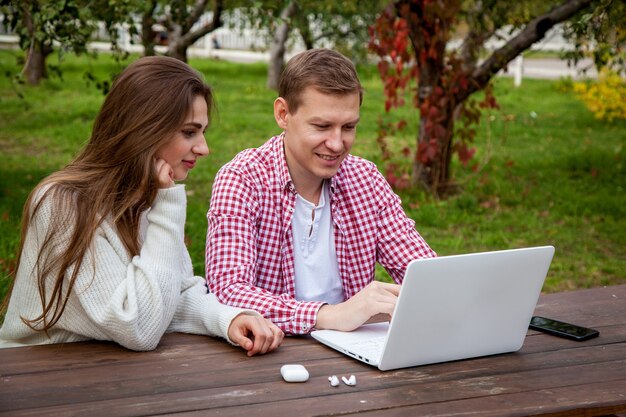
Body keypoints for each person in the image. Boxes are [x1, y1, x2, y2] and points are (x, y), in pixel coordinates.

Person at [0, 56, 284, 354]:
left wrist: (228, 318)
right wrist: (167, 208)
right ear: (144, 129)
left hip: (108, 369)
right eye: (189, 132)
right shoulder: (61, 204)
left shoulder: (141, 198)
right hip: (33, 371)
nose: (203, 148)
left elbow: (170, 293)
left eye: (202, 132)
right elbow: (138, 327)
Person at [205, 48, 436, 335]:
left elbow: (425, 274)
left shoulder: (366, 179)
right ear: (283, 114)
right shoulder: (242, 179)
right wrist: (329, 316)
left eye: (349, 127)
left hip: (354, 354)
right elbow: (226, 291)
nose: (337, 144)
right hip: (269, 356)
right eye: (322, 126)